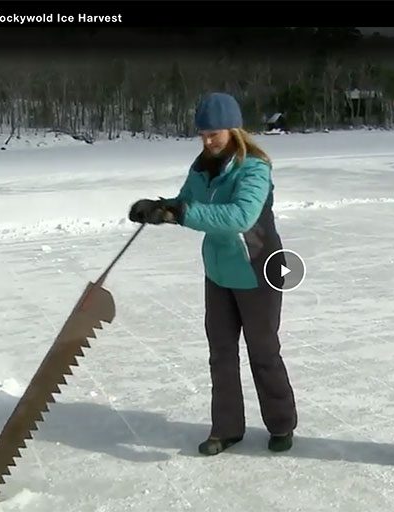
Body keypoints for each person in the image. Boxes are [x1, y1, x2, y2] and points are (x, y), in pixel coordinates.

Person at [127, 92, 298, 456]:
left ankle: (282, 424)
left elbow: (240, 217)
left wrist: (182, 213)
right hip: (219, 273)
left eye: (214, 134)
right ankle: (226, 428)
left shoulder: (255, 167)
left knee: (264, 352)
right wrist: (159, 208)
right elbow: (187, 201)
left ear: (234, 129)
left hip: (256, 270)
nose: (207, 141)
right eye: (202, 134)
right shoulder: (202, 166)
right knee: (220, 354)